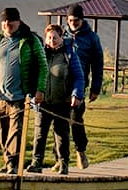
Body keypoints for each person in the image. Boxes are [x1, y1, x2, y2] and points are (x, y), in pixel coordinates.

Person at [0, 7, 47, 173]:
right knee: (3, 130)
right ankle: (8, 161)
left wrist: (40, 89)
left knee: (15, 130)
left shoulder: (30, 40)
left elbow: (43, 66)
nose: (7, 24)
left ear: (18, 22)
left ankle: (13, 162)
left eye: (10, 21)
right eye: (4, 21)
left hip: (20, 96)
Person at [27, 24, 85, 175]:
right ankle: (36, 162)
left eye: (55, 37)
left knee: (62, 134)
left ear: (61, 38)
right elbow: (33, 76)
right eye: (49, 37)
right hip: (43, 102)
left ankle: (63, 163)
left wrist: (76, 94)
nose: (52, 40)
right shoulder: (40, 54)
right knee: (39, 133)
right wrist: (32, 94)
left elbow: (79, 77)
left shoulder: (69, 55)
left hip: (63, 103)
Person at [64, 3, 104, 169]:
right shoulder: (61, 34)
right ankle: (61, 159)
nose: (73, 23)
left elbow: (98, 64)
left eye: (77, 20)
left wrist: (95, 88)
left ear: (82, 19)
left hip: (78, 86)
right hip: (59, 85)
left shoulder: (92, 38)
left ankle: (80, 151)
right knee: (59, 123)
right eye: (71, 20)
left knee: (75, 120)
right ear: (67, 19)